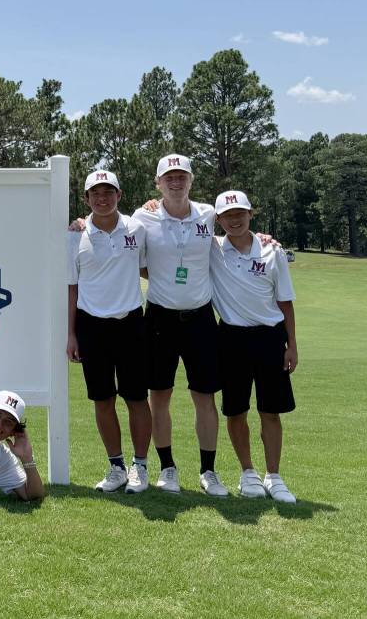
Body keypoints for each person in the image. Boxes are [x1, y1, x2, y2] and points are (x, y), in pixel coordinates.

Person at [132, 154, 228, 496]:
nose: (176, 182)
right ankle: (167, 468)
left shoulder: (208, 213)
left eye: (181, 176)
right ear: (158, 183)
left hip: (201, 318)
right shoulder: (143, 217)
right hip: (160, 318)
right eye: (168, 177)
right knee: (159, 397)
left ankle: (208, 471)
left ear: (191, 180)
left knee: (205, 397)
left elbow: (238, 227)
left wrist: (268, 241)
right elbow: (127, 247)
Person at [66, 171, 153, 494]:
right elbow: (71, 287)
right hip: (91, 325)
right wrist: (71, 334)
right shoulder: (74, 234)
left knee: (136, 398)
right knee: (102, 399)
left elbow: (149, 265)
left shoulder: (137, 228)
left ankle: (140, 467)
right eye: (95, 194)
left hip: (131, 322)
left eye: (108, 192)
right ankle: (116, 466)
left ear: (119, 194)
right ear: (86, 199)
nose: (102, 199)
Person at [210, 190, 298, 503]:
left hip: (270, 338)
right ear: (217, 219)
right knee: (236, 410)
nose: (234, 220)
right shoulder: (213, 249)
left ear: (250, 214)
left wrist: (292, 345)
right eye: (227, 215)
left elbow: (285, 301)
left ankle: (273, 476)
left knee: (270, 412)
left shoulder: (272, 250)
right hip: (231, 339)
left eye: (240, 213)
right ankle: (247, 472)